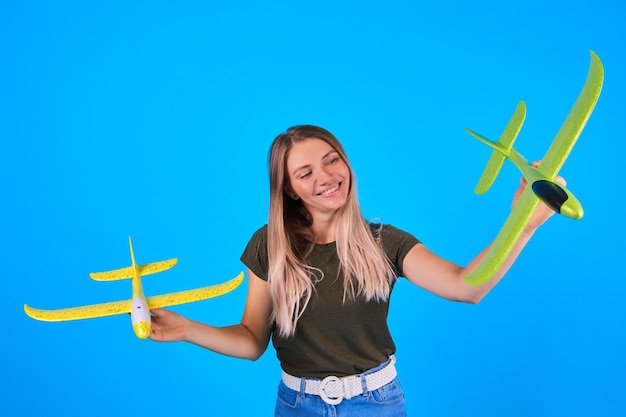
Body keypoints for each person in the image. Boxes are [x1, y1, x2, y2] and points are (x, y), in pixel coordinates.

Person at [149, 125, 560, 416]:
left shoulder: (384, 242)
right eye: (305, 173)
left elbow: (466, 287)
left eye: (332, 161)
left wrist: (521, 225)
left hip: (374, 404)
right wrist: (187, 329)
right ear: (289, 189)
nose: (326, 177)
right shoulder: (269, 244)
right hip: (296, 405)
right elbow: (252, 340)